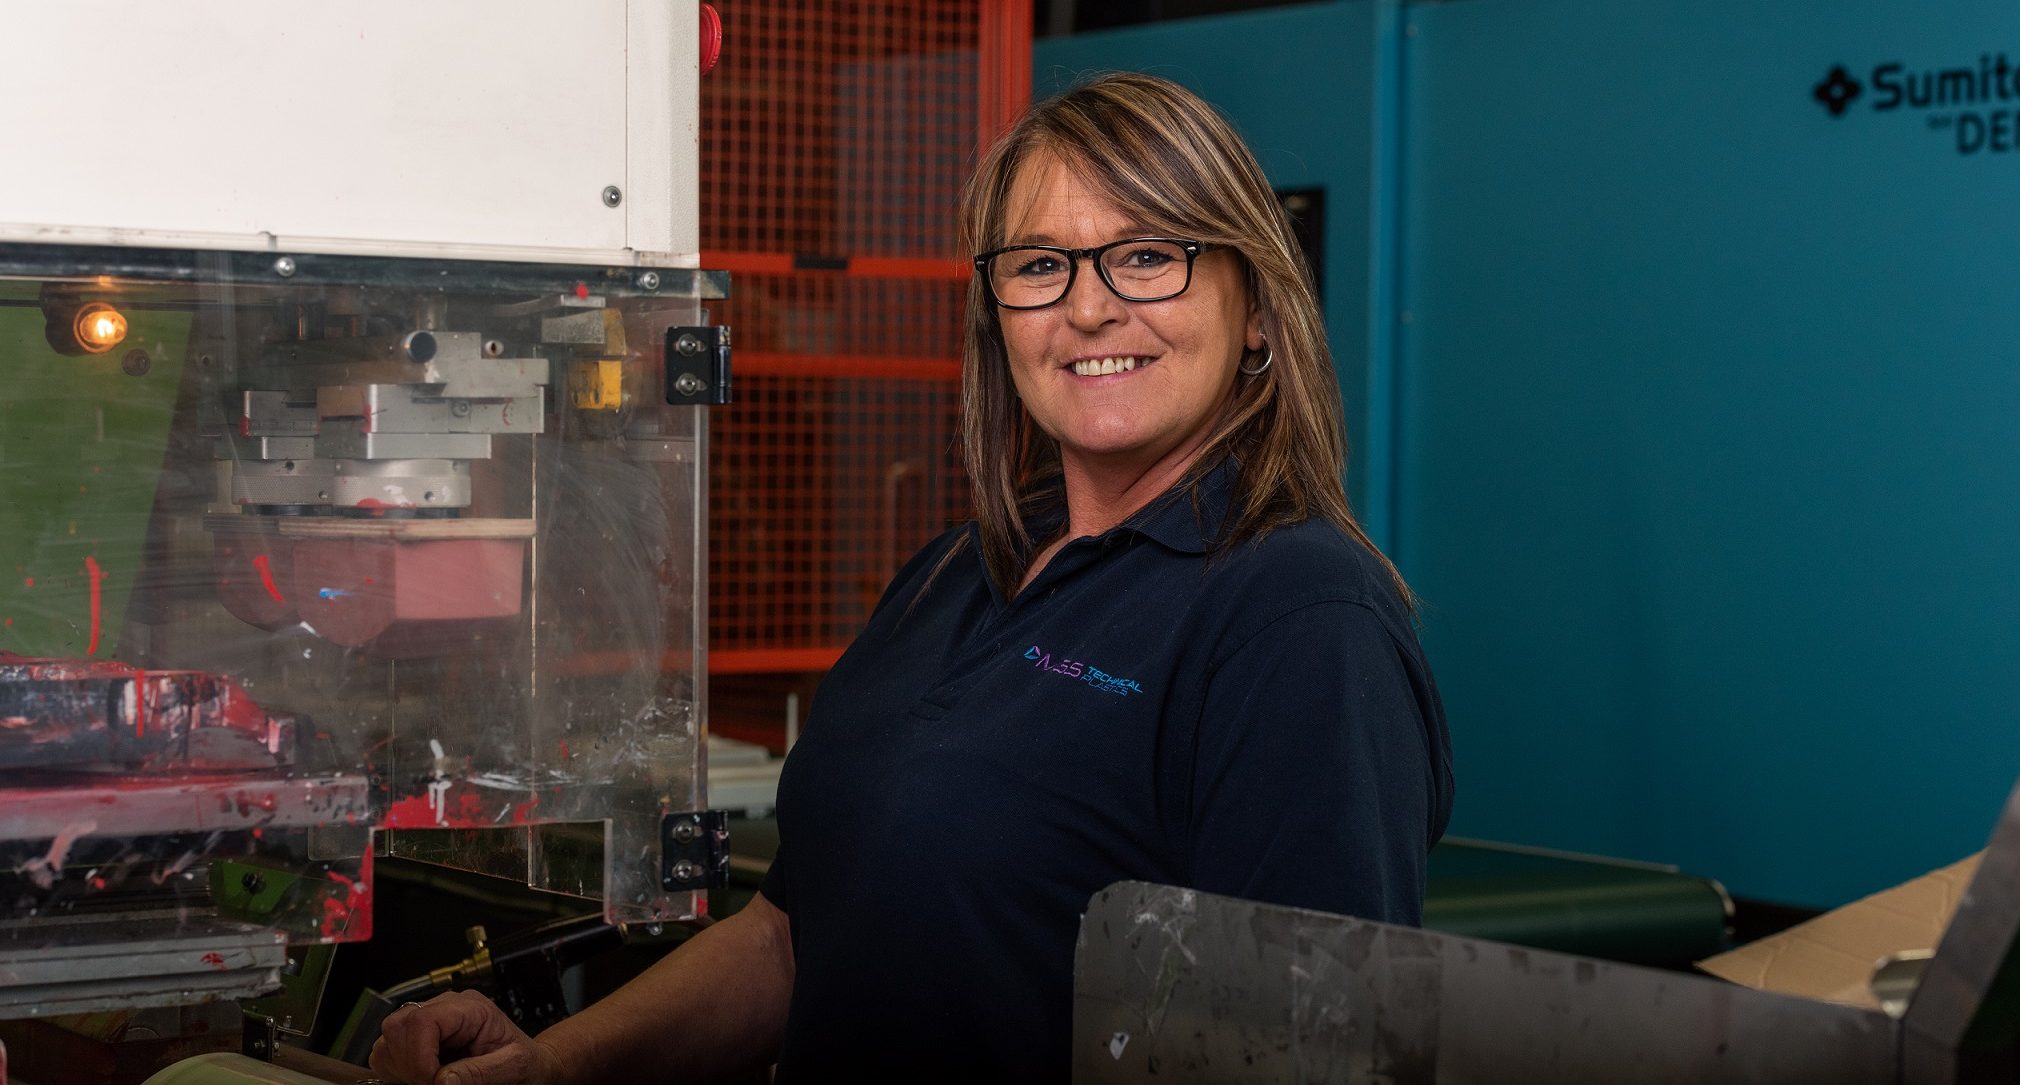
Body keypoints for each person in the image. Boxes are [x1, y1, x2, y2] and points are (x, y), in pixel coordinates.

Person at [371, 71, 1453, 1085]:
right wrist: (551, 1064)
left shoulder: (1299, 619)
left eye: (1149, 253)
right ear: (1000, 315)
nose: (1087, 308)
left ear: (1257, 309)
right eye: (1039, 264)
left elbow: (1307, 1054)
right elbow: (797, 937)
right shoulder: (956, 568)